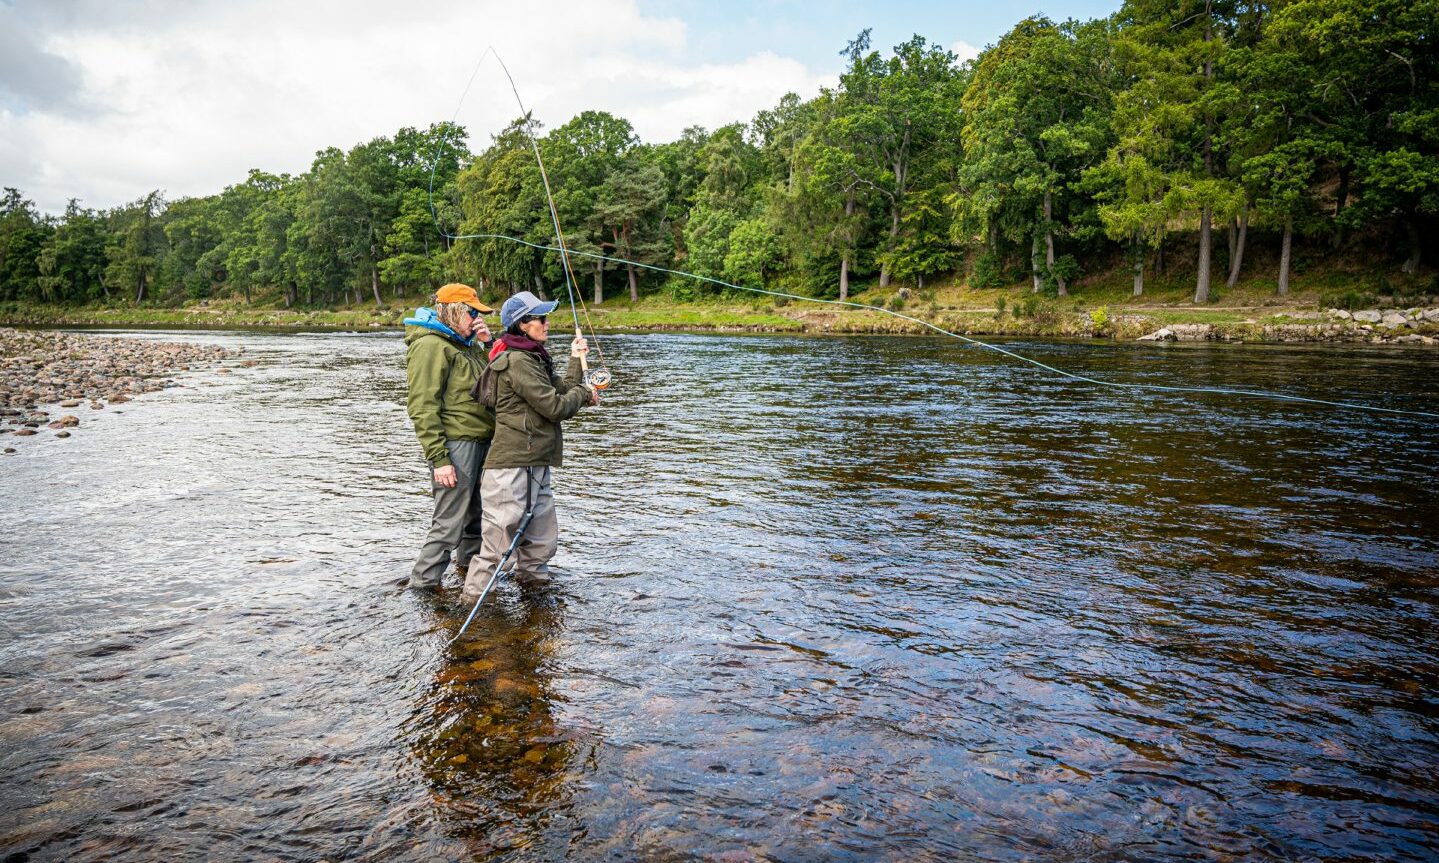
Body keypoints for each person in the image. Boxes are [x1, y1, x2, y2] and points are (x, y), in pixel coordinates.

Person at [462, 290, 598, 603]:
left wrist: (577, 361)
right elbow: (555, 407)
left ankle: (535, 595)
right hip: (511, 466)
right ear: (523, 324)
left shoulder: (534, 356)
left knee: (539, 541)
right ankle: (474, 607)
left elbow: (562, 388)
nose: (547, 323)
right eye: (541, 318)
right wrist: (584, 394)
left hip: (535, 461)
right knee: (497, 547)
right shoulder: (516, 361)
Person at [403, 282, 495, 591]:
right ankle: (423, 587)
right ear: (455, 312)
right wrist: (440, 459)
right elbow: (421, 406)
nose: (476, 319)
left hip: (481, 441)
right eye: (472, 314)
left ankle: (467, 572)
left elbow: (490, 384)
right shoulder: (431, 345)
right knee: (448, 523)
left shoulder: (465, 345)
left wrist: (486, 342)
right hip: (456, 447)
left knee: (475, 518)